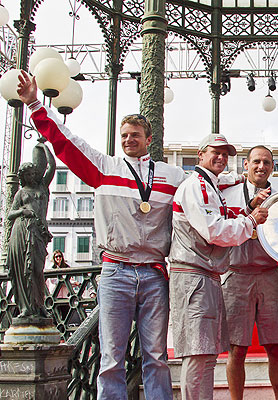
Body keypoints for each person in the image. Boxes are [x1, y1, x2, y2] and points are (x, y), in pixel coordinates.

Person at [17, 71, 186, 400]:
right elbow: (66, 142)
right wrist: (36, 104)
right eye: (123, 135)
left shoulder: (173, 176)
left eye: (135, 135)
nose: (128, 140)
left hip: (153, 272)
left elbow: (203, 195)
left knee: (156, 357)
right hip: (115, 271)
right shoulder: (103, 169)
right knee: (111, 357)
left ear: (148, 138)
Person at [168, 134, 269, 400]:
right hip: (193, 275)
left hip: (206, 274)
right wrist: (253, 221)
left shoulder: (209, 186)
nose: (222, 158)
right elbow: (215, 231)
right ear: (200, 154)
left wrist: (248, 208)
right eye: (216, 152)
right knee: (199, 353)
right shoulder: (197, 186)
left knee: (206, 353)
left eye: (226, 154)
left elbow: (221, 221)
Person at [220, 145, 278, 400]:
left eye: (267, 163)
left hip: (269, 275)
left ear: (273, 167)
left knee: (275, 346)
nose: (261, 167)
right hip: (235, 275)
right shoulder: (227, 194)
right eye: (256, 162)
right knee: (237, 349)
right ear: (245, 165)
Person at [6, 142, 55, 320]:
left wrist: (43, 147)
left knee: (36, 269)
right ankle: (26, 308)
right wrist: (22, 211)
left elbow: (52, 166)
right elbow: (11, 214)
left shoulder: (43, 187)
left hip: (37, 233)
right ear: (23, 177)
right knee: (23, 270)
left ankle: (39, 305)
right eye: (28, 174)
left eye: (34, 173)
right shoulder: (21, 193)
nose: (32, 176)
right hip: (21, 231)